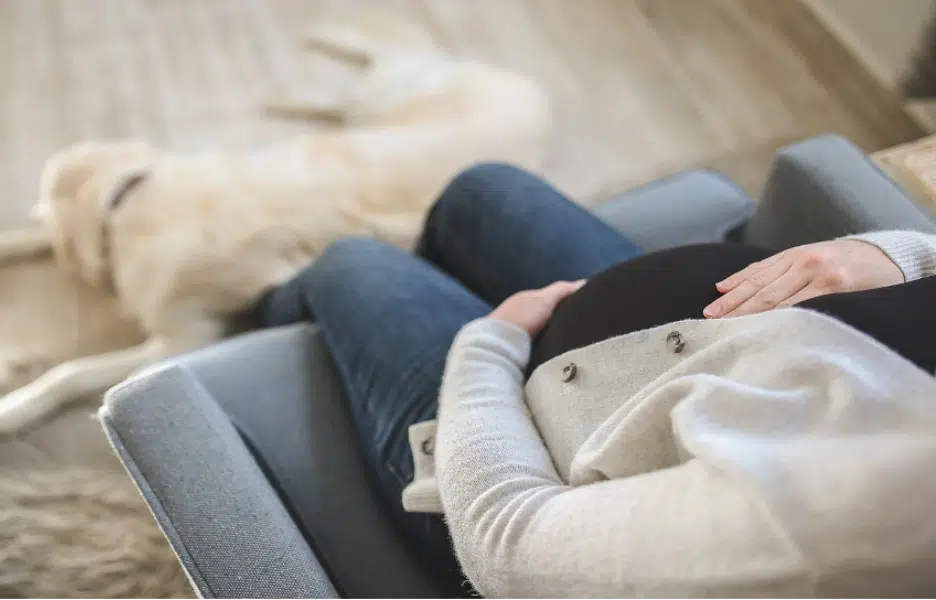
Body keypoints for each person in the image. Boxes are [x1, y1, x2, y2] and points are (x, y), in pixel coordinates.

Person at [256, 163, 936, 599]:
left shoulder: (863, 527)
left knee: (354, 267)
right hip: (679, 334)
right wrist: (895, 254)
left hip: (518, 461)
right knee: (484, 191)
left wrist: (487, 343)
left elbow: (509, 545)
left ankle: (259, 337)